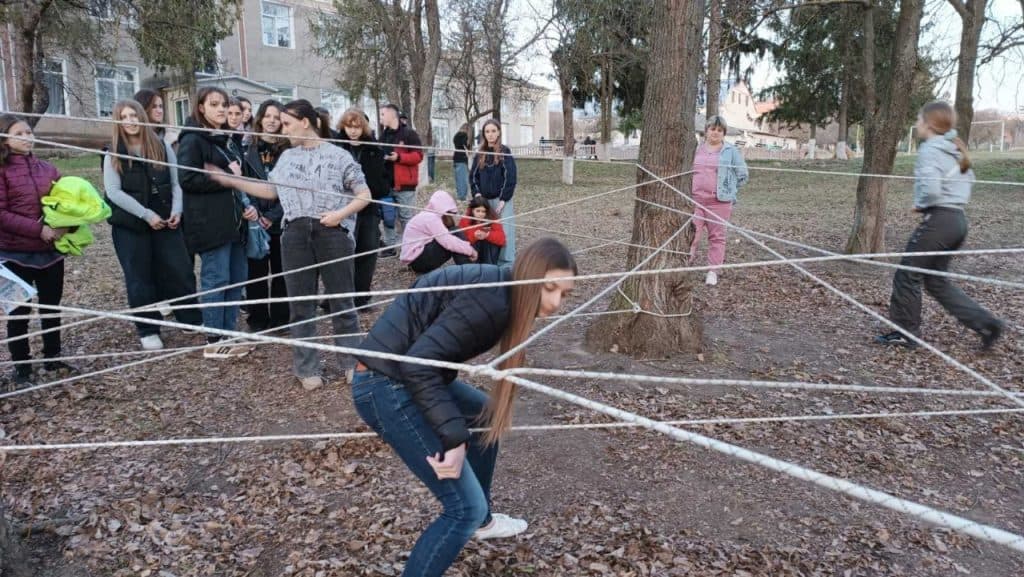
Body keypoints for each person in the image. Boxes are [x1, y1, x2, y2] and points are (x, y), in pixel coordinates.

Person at [351, 237, 577, 577]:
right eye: (550, 289)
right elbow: (418, 365)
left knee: (486, 416)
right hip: (384, 386)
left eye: (565, 293)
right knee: (462, 508)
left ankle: (482, 522)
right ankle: (474, 516)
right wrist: (454, 440)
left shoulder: (501, 290)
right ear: (530, 276)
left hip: (403, 376)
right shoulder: (493, 301)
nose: (557, 302)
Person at [208, 99, 372, 391]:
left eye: (286, 123)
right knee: (300, 306)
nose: (282, 129)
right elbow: (271, 191)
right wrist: (232, 181)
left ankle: (351, 364)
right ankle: (307, 367)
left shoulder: (339, 155)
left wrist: (339, 216)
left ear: (305, 122)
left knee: (342, 302)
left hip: (332, 233)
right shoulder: (287, 158)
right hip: (295, 234)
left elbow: (364, 195)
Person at [876, 101, 1004, 350]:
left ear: (930, 124)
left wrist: (922, 204)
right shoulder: (953, 149)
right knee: (936, 282)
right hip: (957, 220)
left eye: (919, 120)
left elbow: (932, 190)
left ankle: (905, 333)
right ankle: (987, 324)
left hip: (939, 221)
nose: (916, 124)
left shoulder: (931, 149)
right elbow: (965, 183)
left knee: (907, 275)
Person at [102, 100, 202, 351]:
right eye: (124, 117)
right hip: (132, 226)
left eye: (134, 115)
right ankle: (148, 328)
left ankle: (189, 317)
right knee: (139, 277)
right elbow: (114, 192)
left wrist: (177, 210)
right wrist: (146, 215)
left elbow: (176, 181)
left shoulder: (161, 145)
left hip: (167, 221)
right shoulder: (112, 152)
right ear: (118, 122)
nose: (131, 121)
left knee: (179, 270)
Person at [177, 87, 260, 359]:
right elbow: (187, 180)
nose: (221, 109)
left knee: (236, 278)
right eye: (214, 104)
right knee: (217, 278)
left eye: (224, 104)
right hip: (210, 223)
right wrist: (225, 176)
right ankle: (214, 338)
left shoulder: (228, 139)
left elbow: (242, 178)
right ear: (201, 108)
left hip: (236, 221)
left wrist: (249, 206)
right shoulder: (192, 140)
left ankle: (229, 331)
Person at [0, 114, 74, 386]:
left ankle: (53, 358)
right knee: (18, 313)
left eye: (29, 133)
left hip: (49, 254)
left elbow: (68, 202)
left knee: (51, 307)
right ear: (5, 139)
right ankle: (22, 367)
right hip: (10, 255)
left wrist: (69, 226)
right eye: (19, 134)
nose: (27, 138)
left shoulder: (48, 169)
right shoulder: (1, 171)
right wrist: (37, 230)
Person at [241, 99, 290, 331]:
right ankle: (258, 319)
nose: (272, 121)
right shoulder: (246, 148)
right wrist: (256, 212)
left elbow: (293, 188)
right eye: (268, 116)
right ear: (260, 119)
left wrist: (274, 214)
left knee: (282, 272)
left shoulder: (290, 151)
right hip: (254, 220)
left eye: (276, 117)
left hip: (282, 220)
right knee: (256, 274)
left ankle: (281, 319)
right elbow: (241, 182)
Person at [688, 115, 748, 286]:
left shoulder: (730, 151)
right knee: (692, 234)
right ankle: (685, 265)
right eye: (712, 129)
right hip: (695, 200)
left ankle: (713, 272)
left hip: (719, 203)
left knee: (717, 237)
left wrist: (730, 191)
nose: (716, 133)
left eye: (720, 130)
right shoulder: (696, 150)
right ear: (706, 131)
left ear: (724, 133)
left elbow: (743, 175)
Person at [338, 109, 389, 307]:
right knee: (342, 253)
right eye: (349, 126)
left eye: (357, 126)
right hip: (342, 209)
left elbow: (384, 182)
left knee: (367, 251)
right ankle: (339, 296)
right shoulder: (337, 147)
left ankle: (361, 295)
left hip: (368, 210)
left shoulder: (374, 150)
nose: (353, 131)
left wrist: (367, 190)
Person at [470, 119, 517, 266]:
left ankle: (506, 262)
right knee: (486, 229)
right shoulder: (480, 154)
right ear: (484, 134)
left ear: (499, 132)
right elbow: (473, 176)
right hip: (484, 200)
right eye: (487, 131)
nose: (490, 135)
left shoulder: (504, 151)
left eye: (493, 131)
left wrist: (503, 199)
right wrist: (477, 194)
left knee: (505, 230)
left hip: (501, 200)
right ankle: (489, 260)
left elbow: (510, 176)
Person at [378, 104, 423, 257]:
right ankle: (391, 247)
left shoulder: (409, 134)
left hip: (405, 185)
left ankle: (410, 247)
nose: (381, 117)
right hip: (386, 183)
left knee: (406, 217)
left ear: (392, 115)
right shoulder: (383, 135)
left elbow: (418, 156)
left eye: (383, 114)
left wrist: (399, 157)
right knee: (388, 216)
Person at [400, 190, 477, 274]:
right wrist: (471, 250)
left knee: (454, 235)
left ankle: (467, 269)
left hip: (415, 261)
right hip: (418, 261)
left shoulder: (428, 214)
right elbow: (448, 242)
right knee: (455, 233)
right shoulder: (431, 218)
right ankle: (468, 271)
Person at [458, 196, 505, 265]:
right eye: (478, 211)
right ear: (472, 210)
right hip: (472, 252)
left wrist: (487, 235)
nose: (480, 214)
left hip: (488, 253)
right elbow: (461, 241)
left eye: (483, 211)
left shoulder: (492, 218)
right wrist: (474, 236)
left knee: (492, 243)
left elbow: (502, 240)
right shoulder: (465, 220)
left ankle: (489, 268)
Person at [452, 124, 471, 201]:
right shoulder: (464, 135)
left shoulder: (456, 135)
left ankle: (459, 195)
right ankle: (462, 197)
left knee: (458, 178)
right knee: (463, 179)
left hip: (456, 157)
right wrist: (468, 146)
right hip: (462, 158)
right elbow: (465, 144)